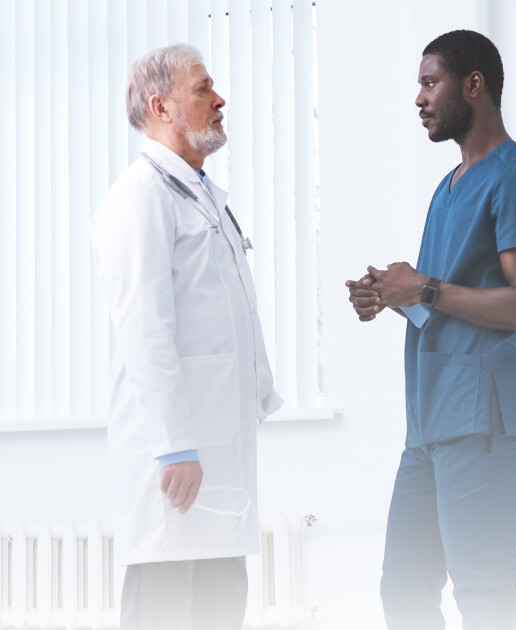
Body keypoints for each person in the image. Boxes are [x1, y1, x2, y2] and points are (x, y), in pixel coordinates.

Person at [346, 30, 516, 630]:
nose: (419, 98)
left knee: (484, 591)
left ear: (474, 85)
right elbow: (445, 301)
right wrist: (394, 297)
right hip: (431, 420)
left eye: (428, 82)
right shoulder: (450, 187)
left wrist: (426, 289)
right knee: (404, 588)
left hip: (481, 419)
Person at [92, 43, 283, 630]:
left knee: (222, 605)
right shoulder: (140, 198)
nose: (219, 98)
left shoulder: (200, 194)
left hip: (220, 450)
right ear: (161, 106)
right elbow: (146, 330)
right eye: (203, 89)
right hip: (178, 458)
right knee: (166, 607)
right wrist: (174, 444)